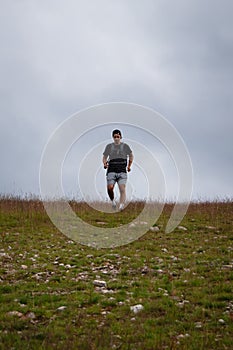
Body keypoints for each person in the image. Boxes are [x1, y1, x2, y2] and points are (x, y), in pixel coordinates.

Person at [102, 129, 133, 211]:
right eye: (115, 137)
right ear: (113, 137)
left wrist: (129, 166)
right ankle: (113, 202)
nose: (116, 138)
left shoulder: (125, 146)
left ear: (120, 137)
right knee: (110, 188)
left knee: (122, 188)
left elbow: (131, 155)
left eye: (118, 137)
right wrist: (105, 163)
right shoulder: (109, 146)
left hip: (122, 171)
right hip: (111, 170)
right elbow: (104, 157)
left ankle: (121, 206)